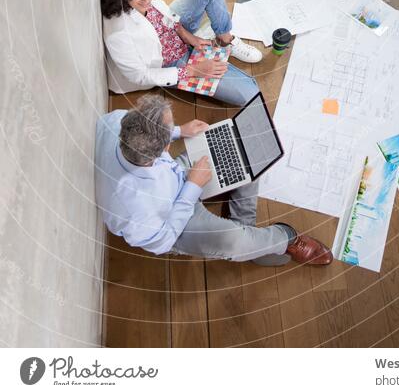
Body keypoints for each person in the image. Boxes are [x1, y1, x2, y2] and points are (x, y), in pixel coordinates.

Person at [95, 94, 332, 265]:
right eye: (170, 135)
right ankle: (285, 237)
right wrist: (192, 187)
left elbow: (149, 136)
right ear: (162, 149)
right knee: (232, 240)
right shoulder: (134, 211)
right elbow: (162, 242)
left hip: (176, 177)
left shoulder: (117, 122)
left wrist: (179, 131)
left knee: (242, 149)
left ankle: (250, 237)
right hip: (173, 221)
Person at [99, 0, 261, 106]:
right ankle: (206, 46)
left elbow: (165, 15)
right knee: (252, 94)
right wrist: (193, 70)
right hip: (173, 63)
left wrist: (187, 36)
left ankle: (224, 40)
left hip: (178, 32)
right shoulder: (118, 32)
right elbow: (139, 75)